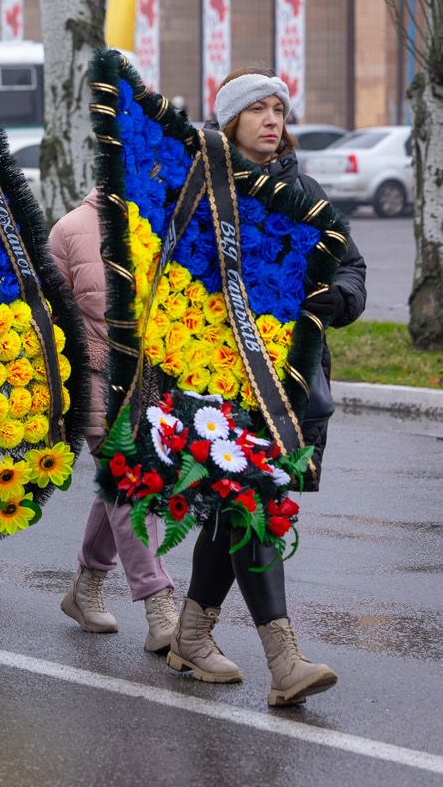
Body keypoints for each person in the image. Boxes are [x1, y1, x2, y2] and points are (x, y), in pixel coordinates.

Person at [165, 68, 366, 706]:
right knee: (249, 506)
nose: (272, 119)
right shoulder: (201, 190)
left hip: (294, 388)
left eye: (279, 108)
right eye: (258, 109)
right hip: (220, 383)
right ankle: (285, 661)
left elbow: (352, 263)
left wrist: (340, 297)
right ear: (231, 123)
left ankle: (191, 636)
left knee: (237, 511)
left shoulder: (302, 189)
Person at [50, 189, 178, 652]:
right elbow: (51, 318)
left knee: (120, 487)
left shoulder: (169, 222)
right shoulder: (70, 230)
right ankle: (159, 602)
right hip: (97, 377)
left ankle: (84, 589)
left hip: (159, 378)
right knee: (130, 483)